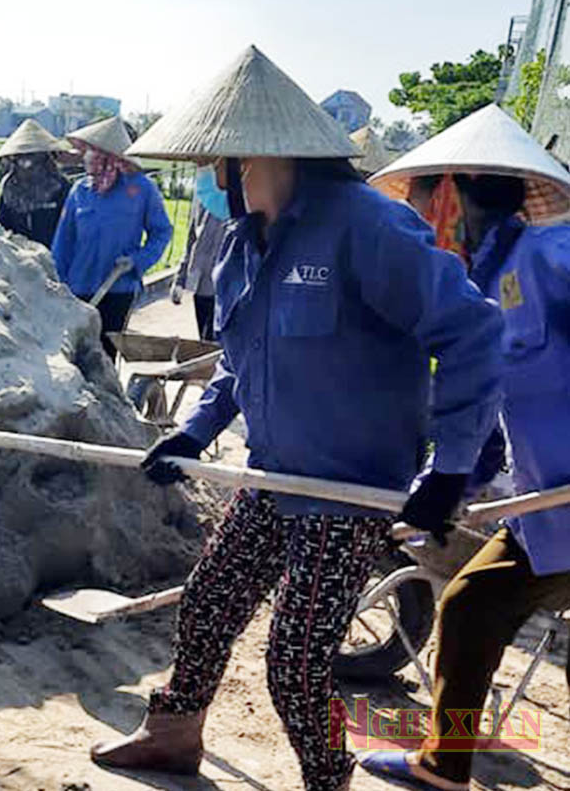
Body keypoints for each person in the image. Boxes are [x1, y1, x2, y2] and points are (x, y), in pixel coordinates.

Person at [90, 46, 503, 791]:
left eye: (224, 163)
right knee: (210, 601)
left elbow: (471, 331)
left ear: (264, 157)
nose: (217, 179)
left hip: (348, 494)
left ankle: (325, 778)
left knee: (292, 663)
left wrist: (448, 468)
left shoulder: (368, 228)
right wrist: (194, 430)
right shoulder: (240, 247)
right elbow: (240, 362)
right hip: (273, 473)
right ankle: (171, 731)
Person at [358, 103, 570, 791]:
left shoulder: (550, 256)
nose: (417, 212)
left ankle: (444, 762)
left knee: (474, 604)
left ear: (450, 192)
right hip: (544, 507)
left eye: (423, 194)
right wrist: (442, 484)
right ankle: (444, 760)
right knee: (473, 605)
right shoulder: (482, 283)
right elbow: (491, 411)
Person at [51, 115, 171, 359]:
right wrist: (57, 283)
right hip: (77, 287)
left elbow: (162, 232)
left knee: (103, 357)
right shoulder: (80, 191)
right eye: (89, 152)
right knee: (72, 355)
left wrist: (137, 260)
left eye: (97, 153)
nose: (90, 158)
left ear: (114, 157)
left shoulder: (140, 189)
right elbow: (62, 244)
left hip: (117, 288)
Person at [0, 119, 71, 248]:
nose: (25, 162)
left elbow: (69, 228)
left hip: (53, 253)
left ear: (44, 157)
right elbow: (2, 223)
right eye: (20, 156)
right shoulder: (9, 186)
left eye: (31, 156)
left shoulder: (60, 186)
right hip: (19, 255)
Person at [172, 195, 225, 341]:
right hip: (202, 285)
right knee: (205, 342)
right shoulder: (204, 194)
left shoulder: (244, 194)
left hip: (228, 290)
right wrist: (180, 279)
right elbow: (191, 240)